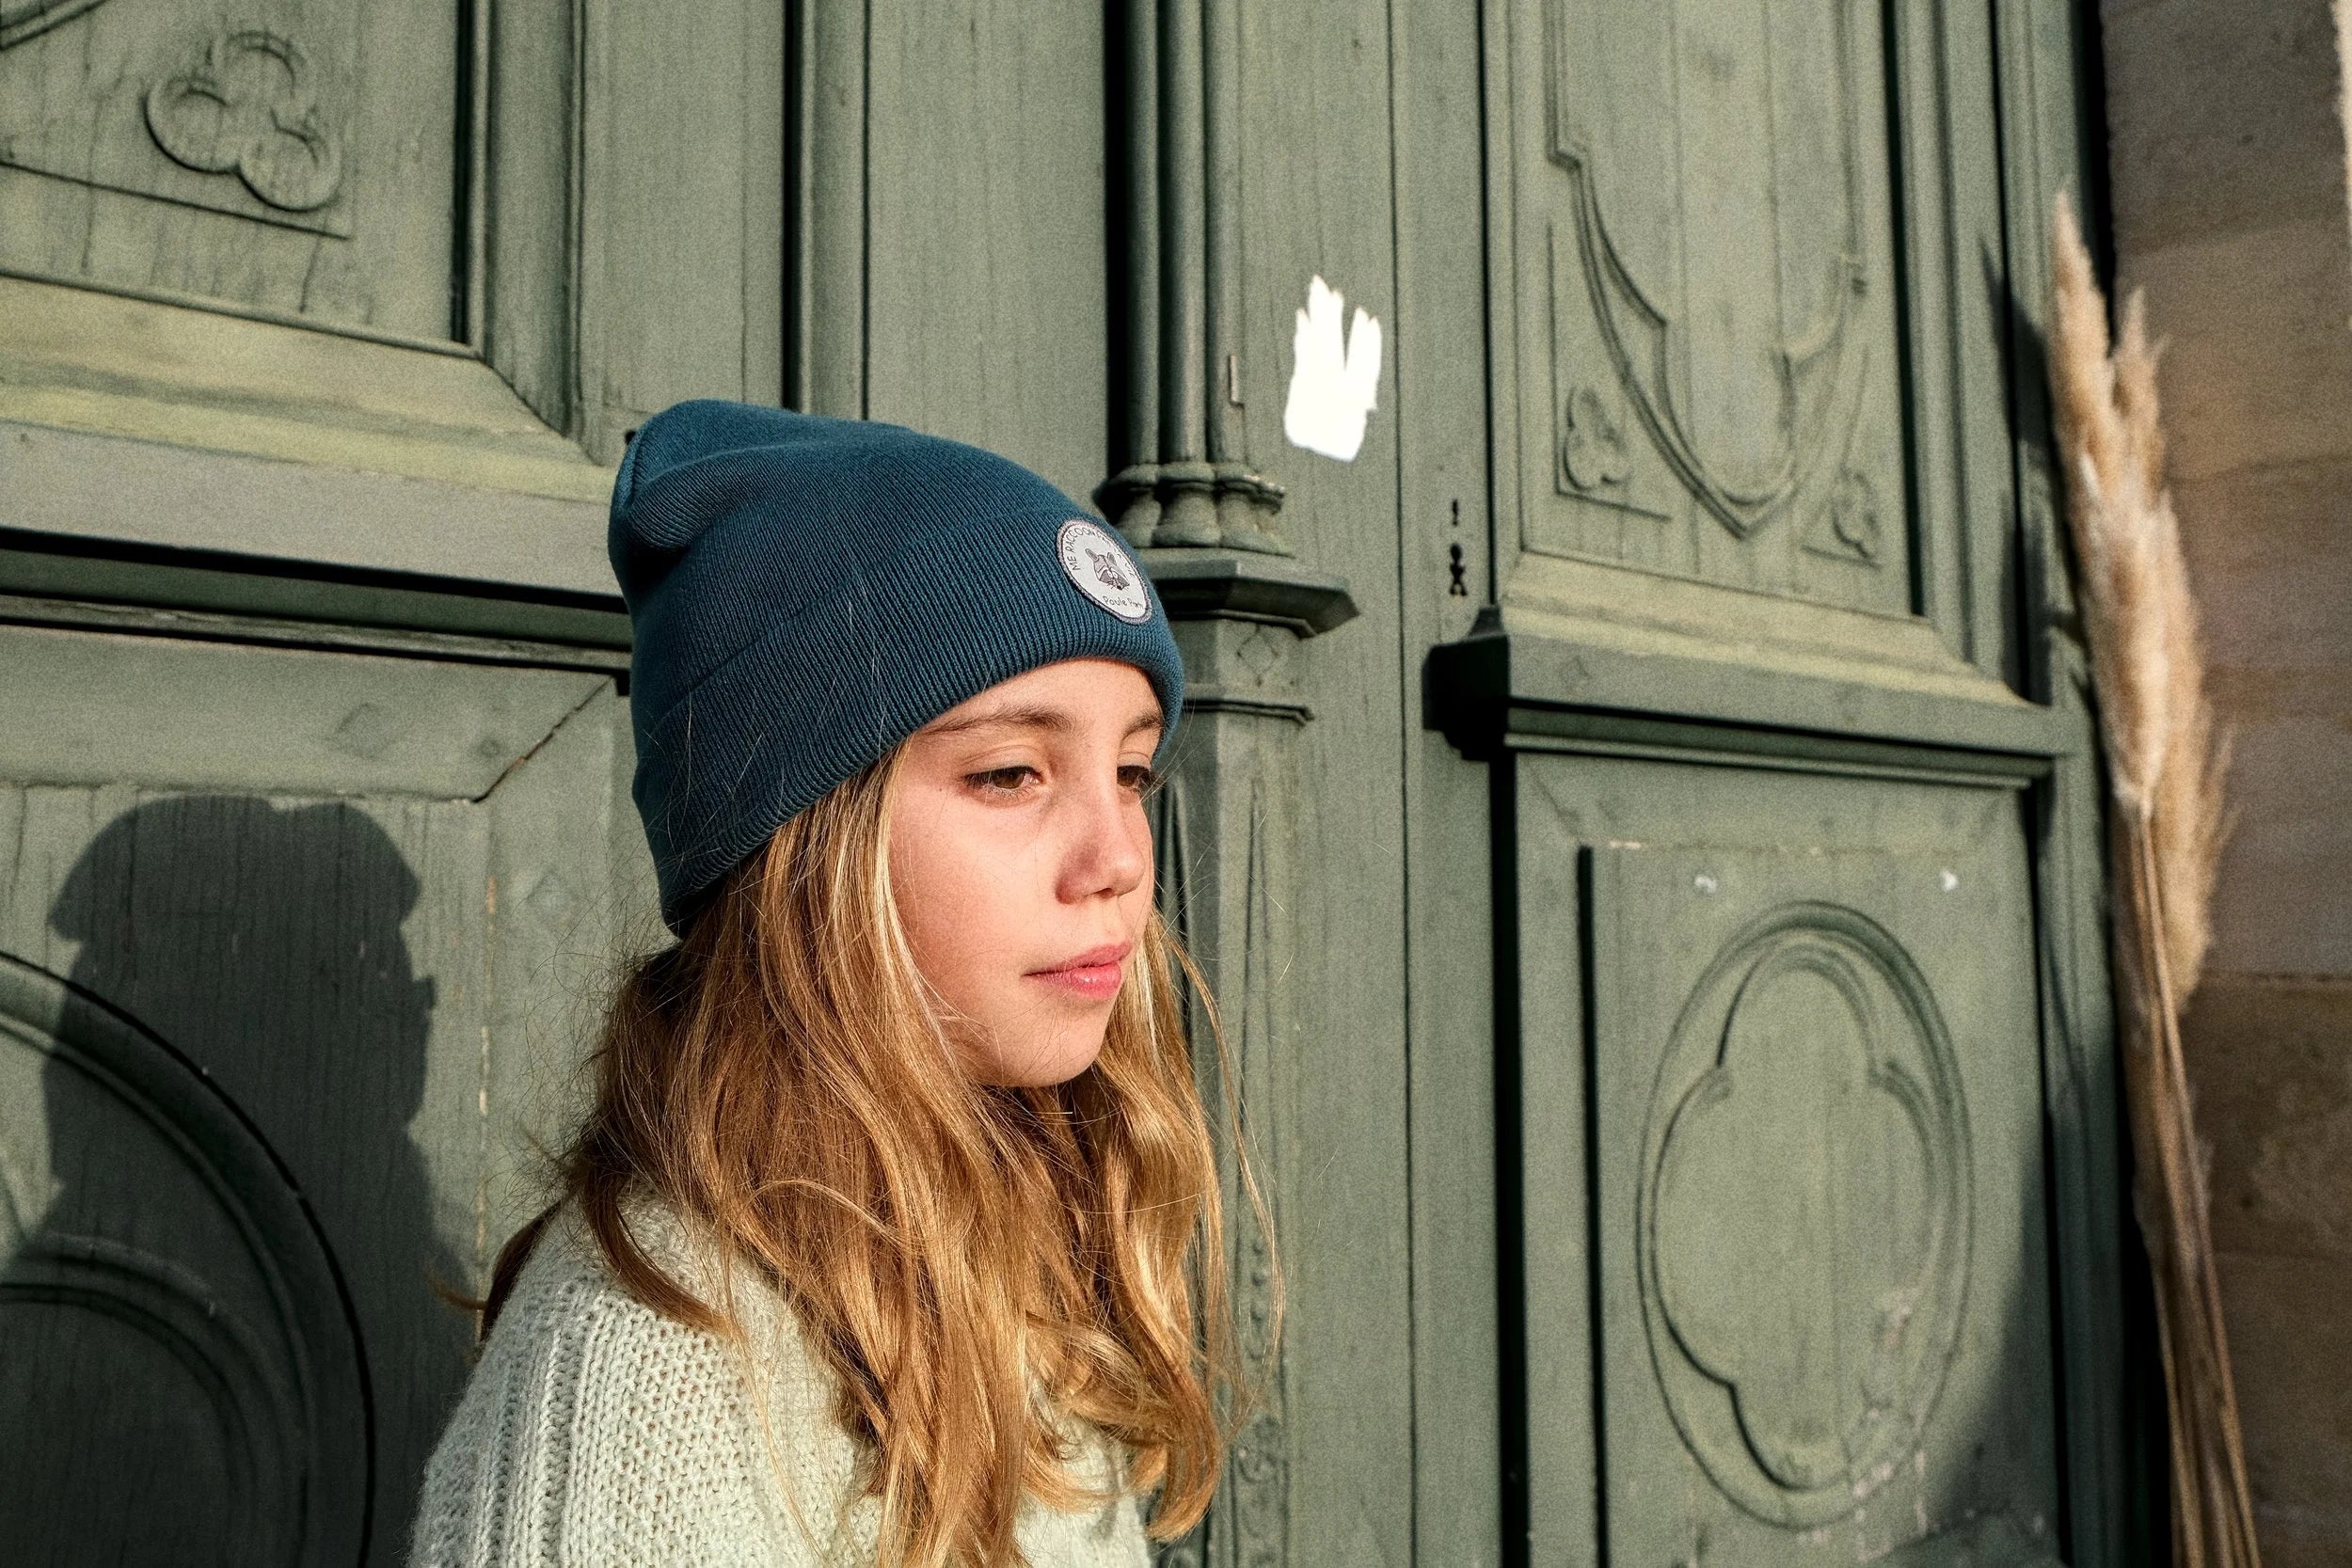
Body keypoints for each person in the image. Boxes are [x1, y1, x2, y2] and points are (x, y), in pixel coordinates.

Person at [406, 401, 1261, 1567]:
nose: (1117, 859)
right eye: (1011, 771)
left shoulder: (1022, 1250)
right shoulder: (654, 1365)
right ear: (800, 846)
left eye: (1131, 771)